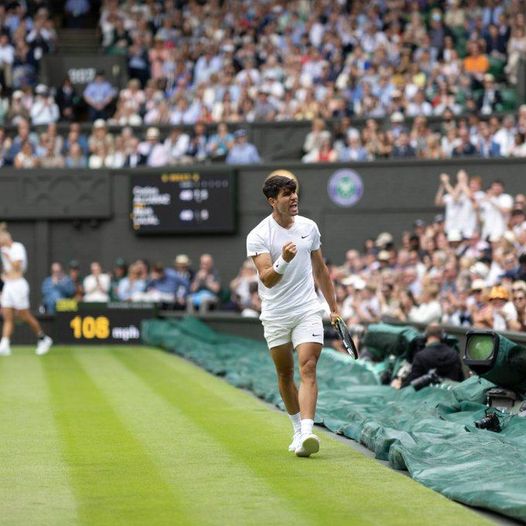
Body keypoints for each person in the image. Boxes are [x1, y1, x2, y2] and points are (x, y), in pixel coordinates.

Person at [246, 174, 340, 458]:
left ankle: (309, 432)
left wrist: (333, 307)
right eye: (287, 195)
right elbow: (267, 279)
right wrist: (284, 260)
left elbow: (321, 270)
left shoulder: (309, 227)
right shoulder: (258, 235)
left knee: (308, 366)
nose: (294, 198)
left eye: (294, 192)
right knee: (285, 373)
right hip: (275, 314)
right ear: (272, 201)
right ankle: (297, 429)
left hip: (306, 309)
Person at [0, 229, 53, 356]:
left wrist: (6, 255)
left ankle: (43, 338)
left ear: (7, 237)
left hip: (19, 285)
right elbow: (7, 270)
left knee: (24, 315)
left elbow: (17, 267)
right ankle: (5, 344)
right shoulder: (3, 250)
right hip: (8, 286)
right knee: (7, 315)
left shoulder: (17, 247)